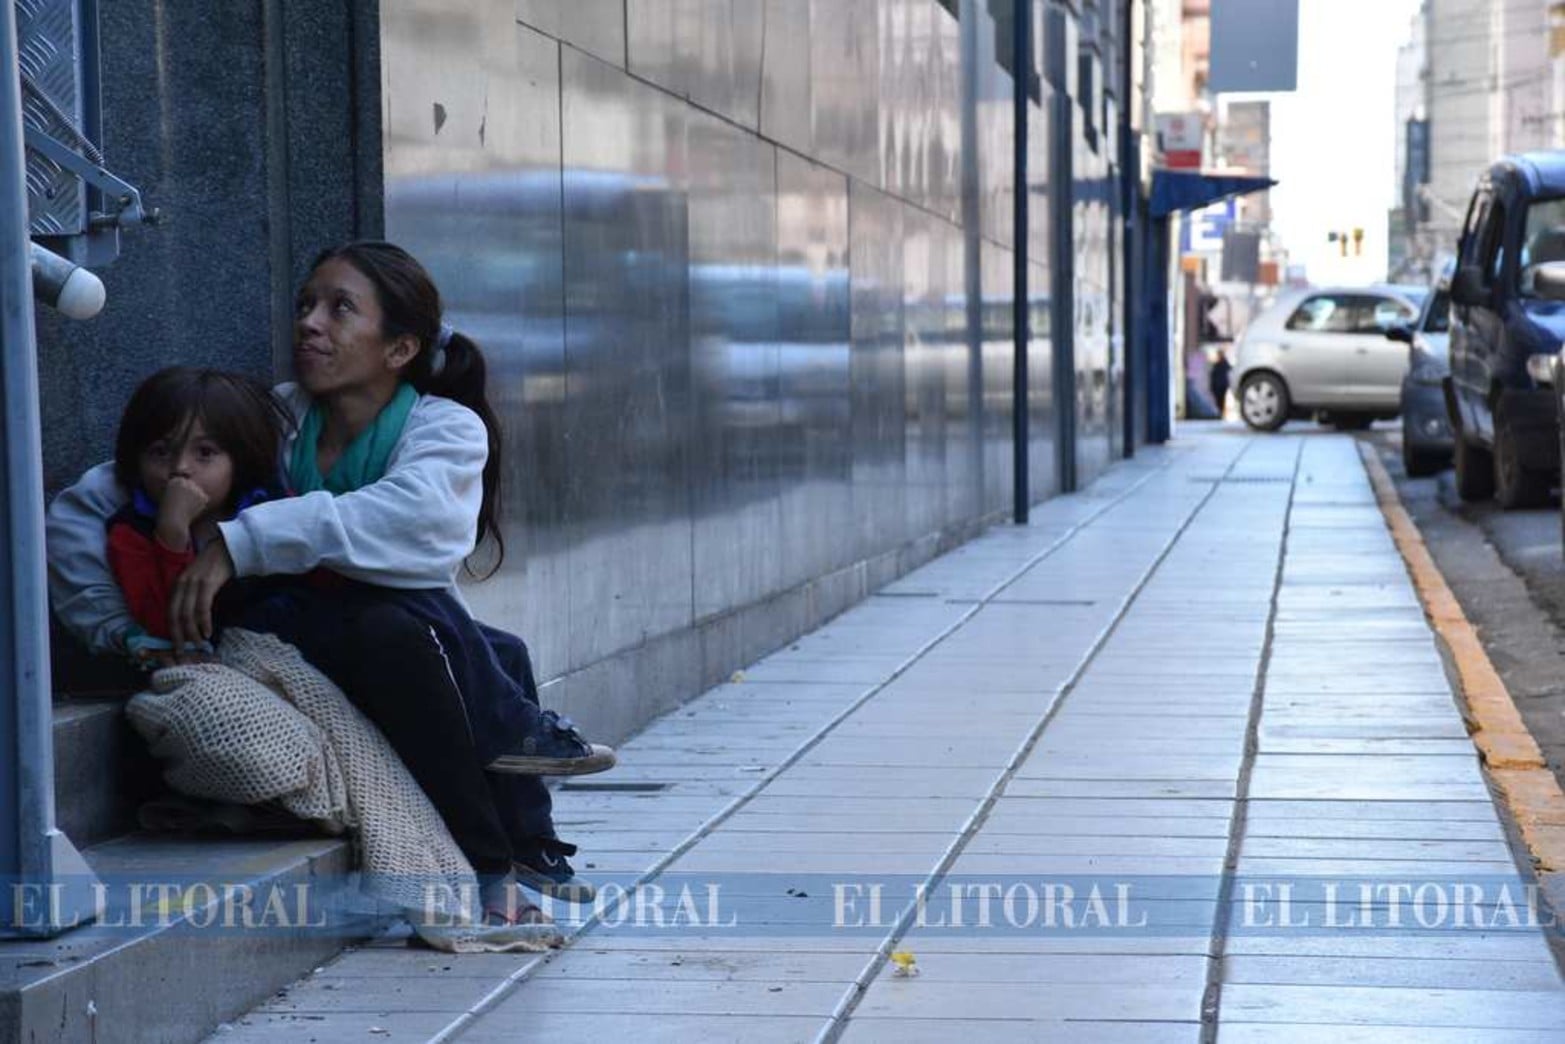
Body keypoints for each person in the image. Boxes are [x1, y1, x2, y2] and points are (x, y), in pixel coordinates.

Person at [47, 241, 608, 922]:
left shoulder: (441, 427)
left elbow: (419, 527)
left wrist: (240, 539)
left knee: (489, 646)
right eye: (306, 304)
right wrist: (115, 627)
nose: (309, 323)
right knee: (399, 628)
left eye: (340, 309)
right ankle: (495, 836)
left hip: (377, 631)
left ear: (398, 348)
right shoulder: (277, 420)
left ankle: (529, 844)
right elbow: (93, 500)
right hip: (281, 629)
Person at [104, 368, 291, 668]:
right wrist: (171, 536)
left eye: (204, 452)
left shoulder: (271, 508)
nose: (180, 468)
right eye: (161, 451)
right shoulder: (131, 533)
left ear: (239, 460)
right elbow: (167, 626)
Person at [1208, 348, 1232, 420]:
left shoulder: (1223, 363)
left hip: (1221, 385)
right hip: (1218, 385)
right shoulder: (1218, 364)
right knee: (1218, 400)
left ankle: (1220, 413)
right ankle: (1219, 413)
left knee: (1220, 400)